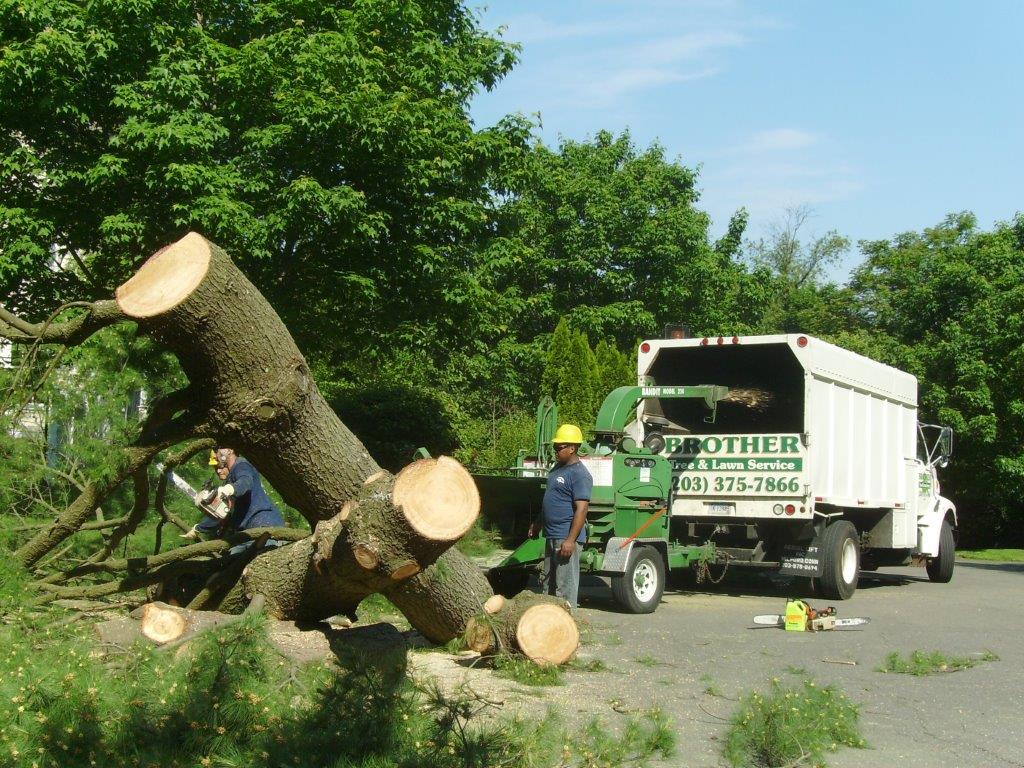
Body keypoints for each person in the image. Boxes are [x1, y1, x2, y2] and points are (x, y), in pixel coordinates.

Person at [530, 424, 592, 609]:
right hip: (552, 535)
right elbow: (550, 500)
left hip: (565, 538)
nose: (556, 451)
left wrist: (571, 540)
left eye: (559, 447)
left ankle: (566, 629)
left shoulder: (580, 474)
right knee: (549, 587)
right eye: (555, 448)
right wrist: (538, 523)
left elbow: (581, 509)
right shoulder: (557, 469)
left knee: (564, 591)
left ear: (572, 448)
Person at [182, 446, 285, 542]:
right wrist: (198, 528)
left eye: (217, 451)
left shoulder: (241, 465)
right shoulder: (230, 480)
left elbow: (245, 482)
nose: (218, 470)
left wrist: (229, 489)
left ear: (229, 450)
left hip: (264, 525)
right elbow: (222, 514)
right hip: (249, 531)